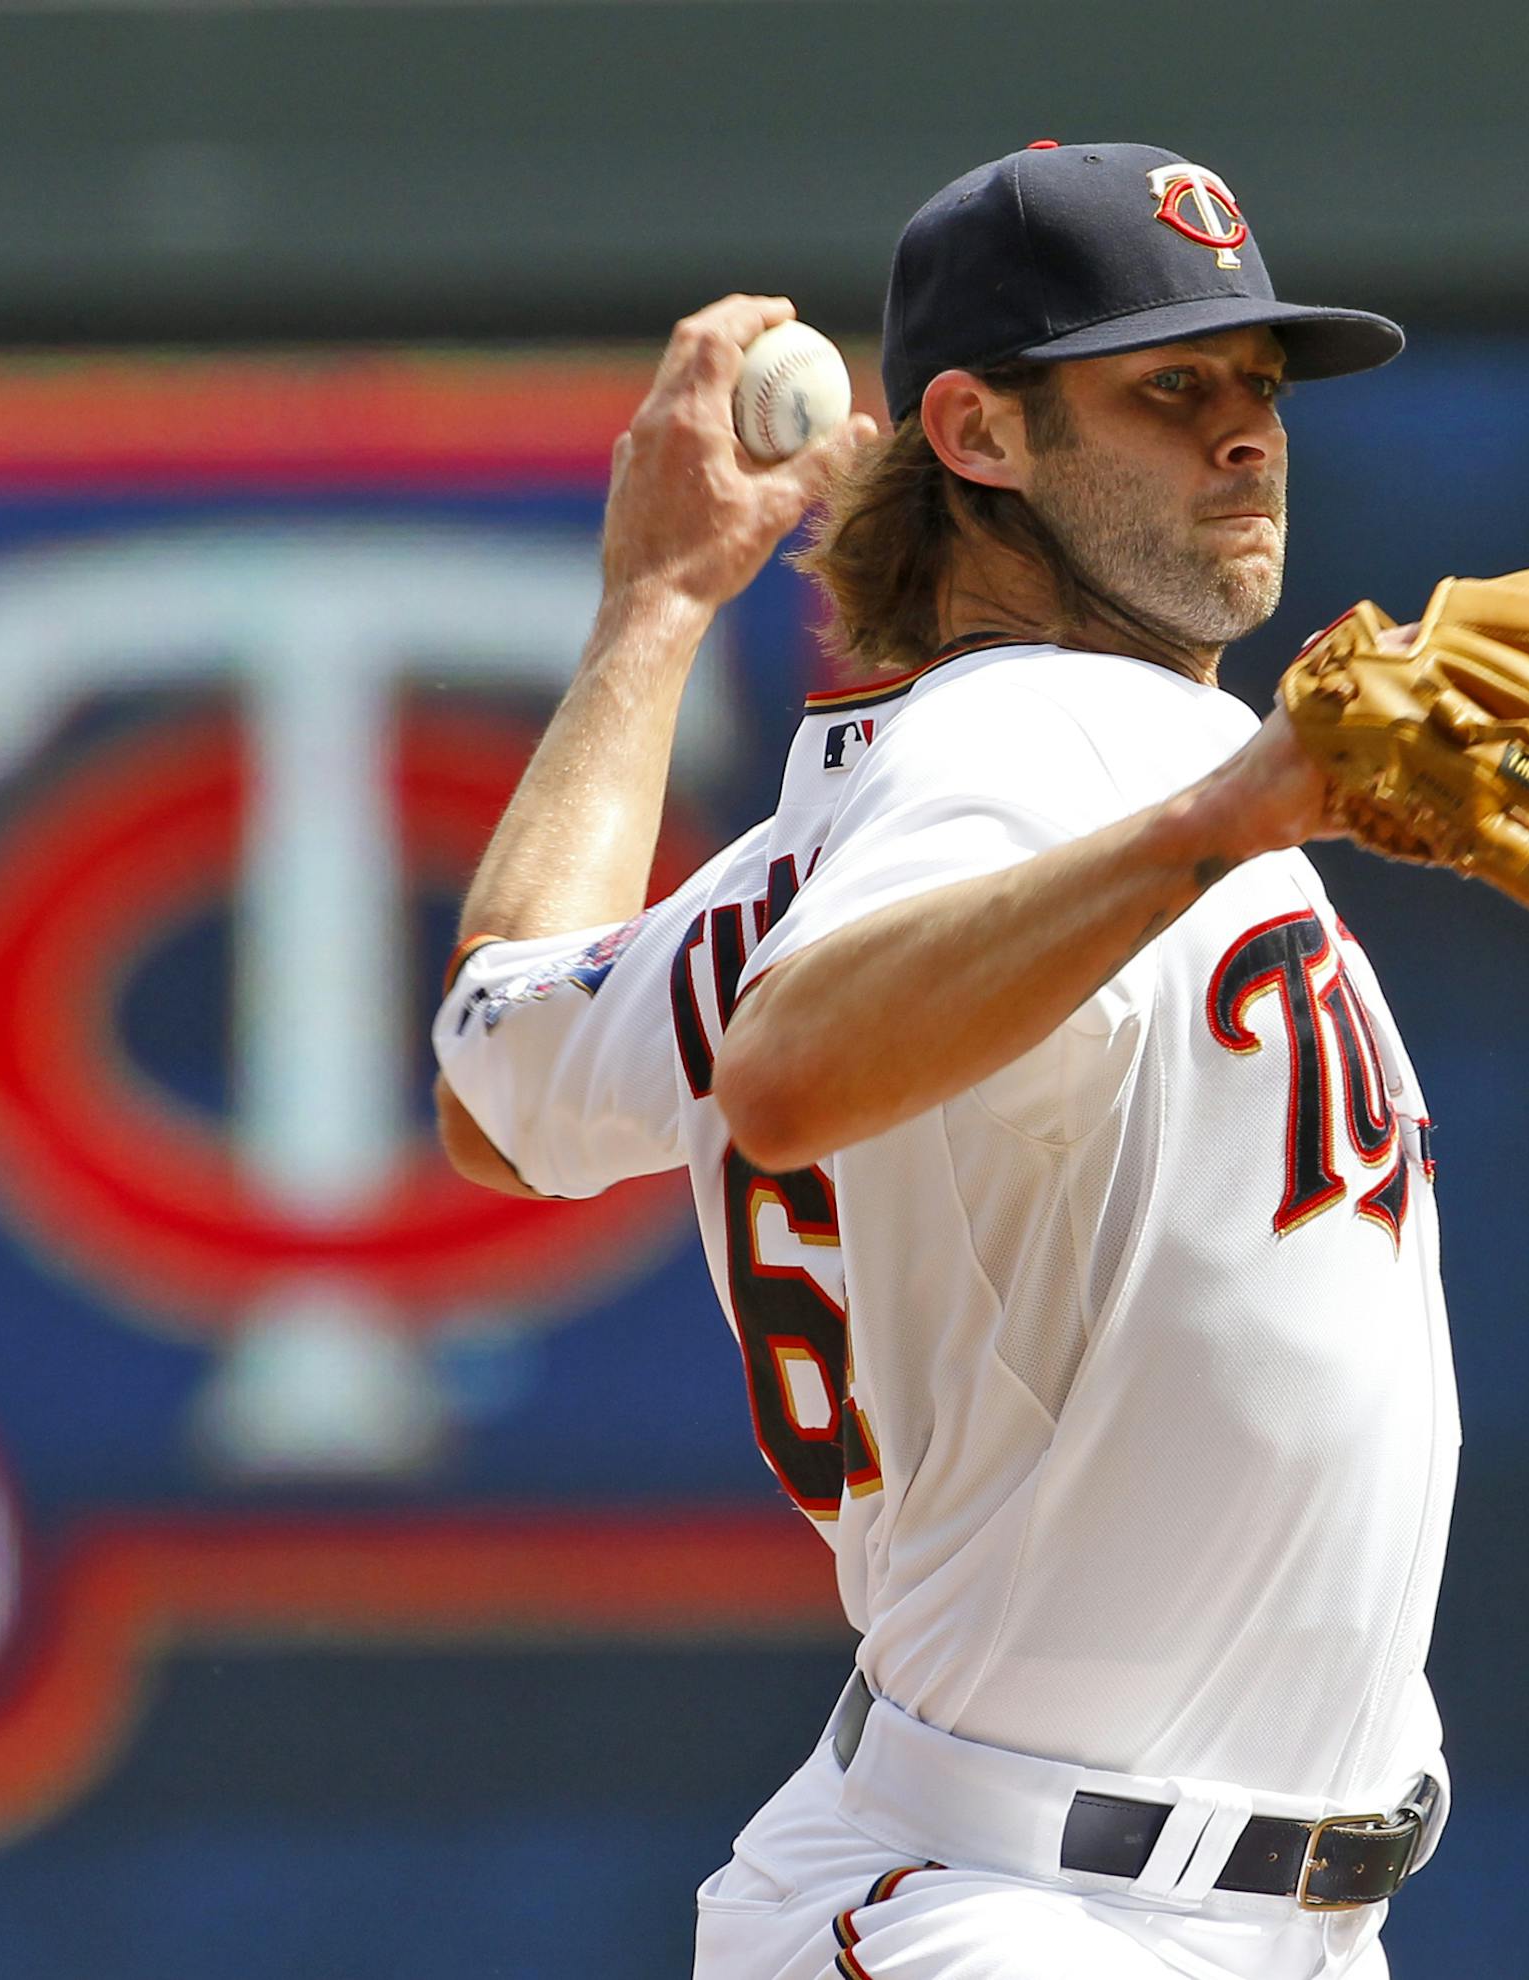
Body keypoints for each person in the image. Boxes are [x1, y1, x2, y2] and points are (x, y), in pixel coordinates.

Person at [432, 141, 1459, 1980]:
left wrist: (659, 609)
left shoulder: (881, 813)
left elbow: (497, 1064)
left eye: (1260, 388)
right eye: (1170, 387)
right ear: (978, 435)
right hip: (1037, 1916)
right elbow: (793, 1072)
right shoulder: (1068, 739)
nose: (1246, 436)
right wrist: (1224, 816)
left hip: (1090, 1885)